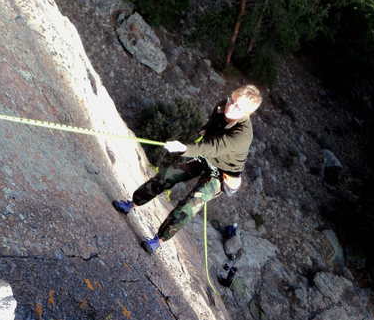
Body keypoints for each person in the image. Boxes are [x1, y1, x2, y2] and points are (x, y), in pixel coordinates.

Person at [112, 84, 262, 254]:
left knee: (189, 205)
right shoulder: (223, 106)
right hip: (203, 154)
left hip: (220, 173)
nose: (231, 106)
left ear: (246, 114)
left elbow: (213, 147)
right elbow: (211, 125)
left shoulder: (242, 136)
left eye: (237, 107)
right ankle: (133, 203)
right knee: (166, 176)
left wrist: (184, 148)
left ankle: (159, 239)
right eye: (232, 100)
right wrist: (206, 128)